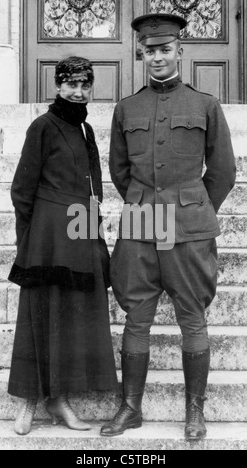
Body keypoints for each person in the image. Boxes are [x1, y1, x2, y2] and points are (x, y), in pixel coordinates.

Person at [100, 14, 236, 441]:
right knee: (136, 318)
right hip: (140, 226)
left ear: (180, 51)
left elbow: (223, 170)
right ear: (140, 54)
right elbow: (119, 171)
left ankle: (195, 412)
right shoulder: (127, 108)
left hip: (189, 230)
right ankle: (131, 408)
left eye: (165, 49)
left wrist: (193, 209)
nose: (157, 57)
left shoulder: (206, 105)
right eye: (150, 50)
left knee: (192, 317)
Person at [8, 56, 118, 435]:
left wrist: (95, 237)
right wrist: (32, 239)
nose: (78, 91)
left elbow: (94, 191)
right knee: (38, 316)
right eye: (70, 83)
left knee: (70, 317)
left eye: (85, 85)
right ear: (57, 86)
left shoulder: (86, 132)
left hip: (80, 233)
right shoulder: (42, 127)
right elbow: (22, 190)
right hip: (46, 240)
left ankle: (60, 400)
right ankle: (28, 402)